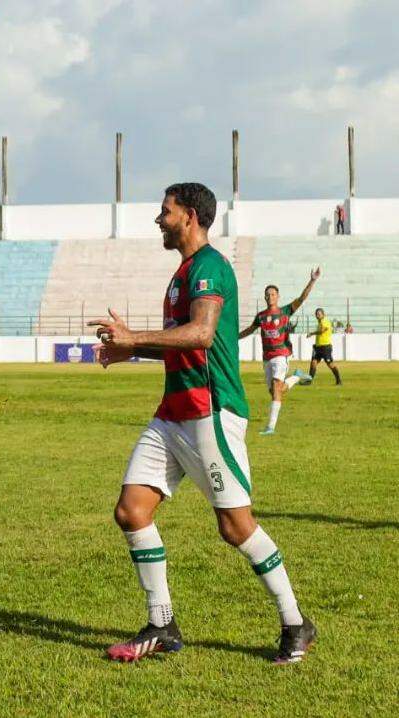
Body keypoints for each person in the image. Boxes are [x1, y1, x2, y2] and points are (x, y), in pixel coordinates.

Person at [90, 182, 315, 665]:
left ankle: (296, 621)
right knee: (132, 510)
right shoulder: (183, 272)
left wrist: (134, 337)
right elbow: (183, 342)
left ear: (189, 215)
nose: (158, 219)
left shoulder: (210, 267)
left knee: (235, 527)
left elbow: (202, 333)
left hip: (209, 412)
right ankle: (162, 623)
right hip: (173, 412)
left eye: (165, 211)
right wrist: (130, 348)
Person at [238, 269, 319, 434]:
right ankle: (296, 376)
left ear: (278, 296)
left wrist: (312, 281)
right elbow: (250, 330)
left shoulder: (285, 311)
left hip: (281, 355)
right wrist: (234, 338)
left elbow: (301, 299)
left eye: (273, 294)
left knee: (276, 388)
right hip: (267, 358)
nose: (270, 297)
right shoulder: (261, 316)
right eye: (267, 294)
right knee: (276, 391)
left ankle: (270, 428)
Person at [306, 308, 342, 385]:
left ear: (323, 314)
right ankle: (309, 381)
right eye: (316, 314)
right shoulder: (320, 322)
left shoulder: (325, 321)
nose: (317, 315)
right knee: (313, 363)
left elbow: (322, 331)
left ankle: (339, 380)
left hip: (325, 347)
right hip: (318, 347)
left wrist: (311, 333)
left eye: (319, 314)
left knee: (330, 364)